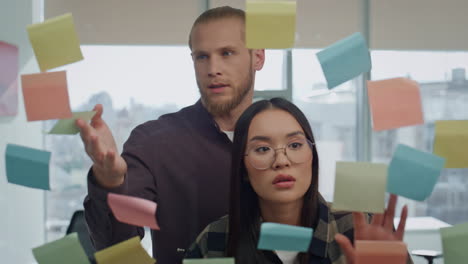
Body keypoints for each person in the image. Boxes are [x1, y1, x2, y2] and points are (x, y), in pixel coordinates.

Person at [76, 6, 265, 264]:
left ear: (258, 57)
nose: (213, 68)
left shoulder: (285, 137)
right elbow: (117, 247)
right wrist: (110, 181)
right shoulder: (155, 143)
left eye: (227, 53)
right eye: (201, 57)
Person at [185, 98, 412, 264]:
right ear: (243, 168)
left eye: (295, 145)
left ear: (312, 156)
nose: (281, 161)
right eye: (263, 149)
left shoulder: (359, 230)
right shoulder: (213, 241)